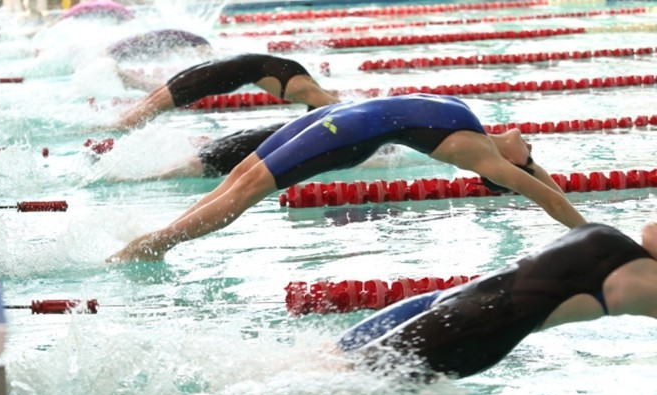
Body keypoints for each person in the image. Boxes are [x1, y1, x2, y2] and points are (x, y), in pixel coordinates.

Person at [106, 94, 588, 262]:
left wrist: (589, 234)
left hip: (348, 132)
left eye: (532, 156)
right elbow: (536, 175)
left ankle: (156, 243)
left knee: (248, 190)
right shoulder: (479, 130)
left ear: (511, 168)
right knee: (241, 173)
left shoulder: (480, 154)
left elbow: (541, 192)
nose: (531, 144)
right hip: (341, 116)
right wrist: (531, 169)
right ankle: (159, 237)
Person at [336, 222, 657, 380]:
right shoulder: (625, 246)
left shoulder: (646, 284)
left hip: (474, 329)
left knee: (342, 378)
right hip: (448, 302)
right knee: (331, 358)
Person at [112, 53, 339, 130]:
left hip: (225, 66)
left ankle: (117, 121)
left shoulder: (302, 82)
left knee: (155, 99)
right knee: (156, 104)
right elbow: (336, 110)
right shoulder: (306, 91)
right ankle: (116, 127)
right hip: (222, 73)